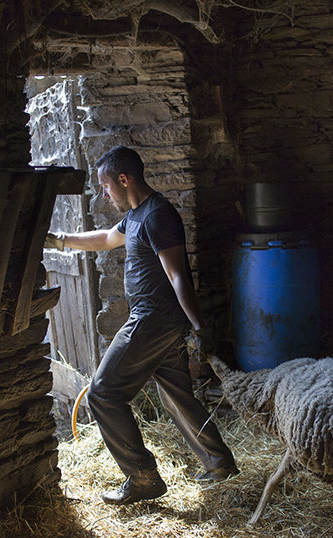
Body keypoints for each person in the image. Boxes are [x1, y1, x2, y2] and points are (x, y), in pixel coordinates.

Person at [45, 145, 239, 505]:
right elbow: (105, 238)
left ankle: (143, 477)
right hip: (162, 323)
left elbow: (178, 275)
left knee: (103, 393)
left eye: (106, 186)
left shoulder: (157, 216)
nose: (104, 195)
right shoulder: (136, 215)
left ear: (124, 179)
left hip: (152, 320)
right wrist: (59, 240)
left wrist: (199, 327)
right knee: (177, 396)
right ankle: (219, 463)